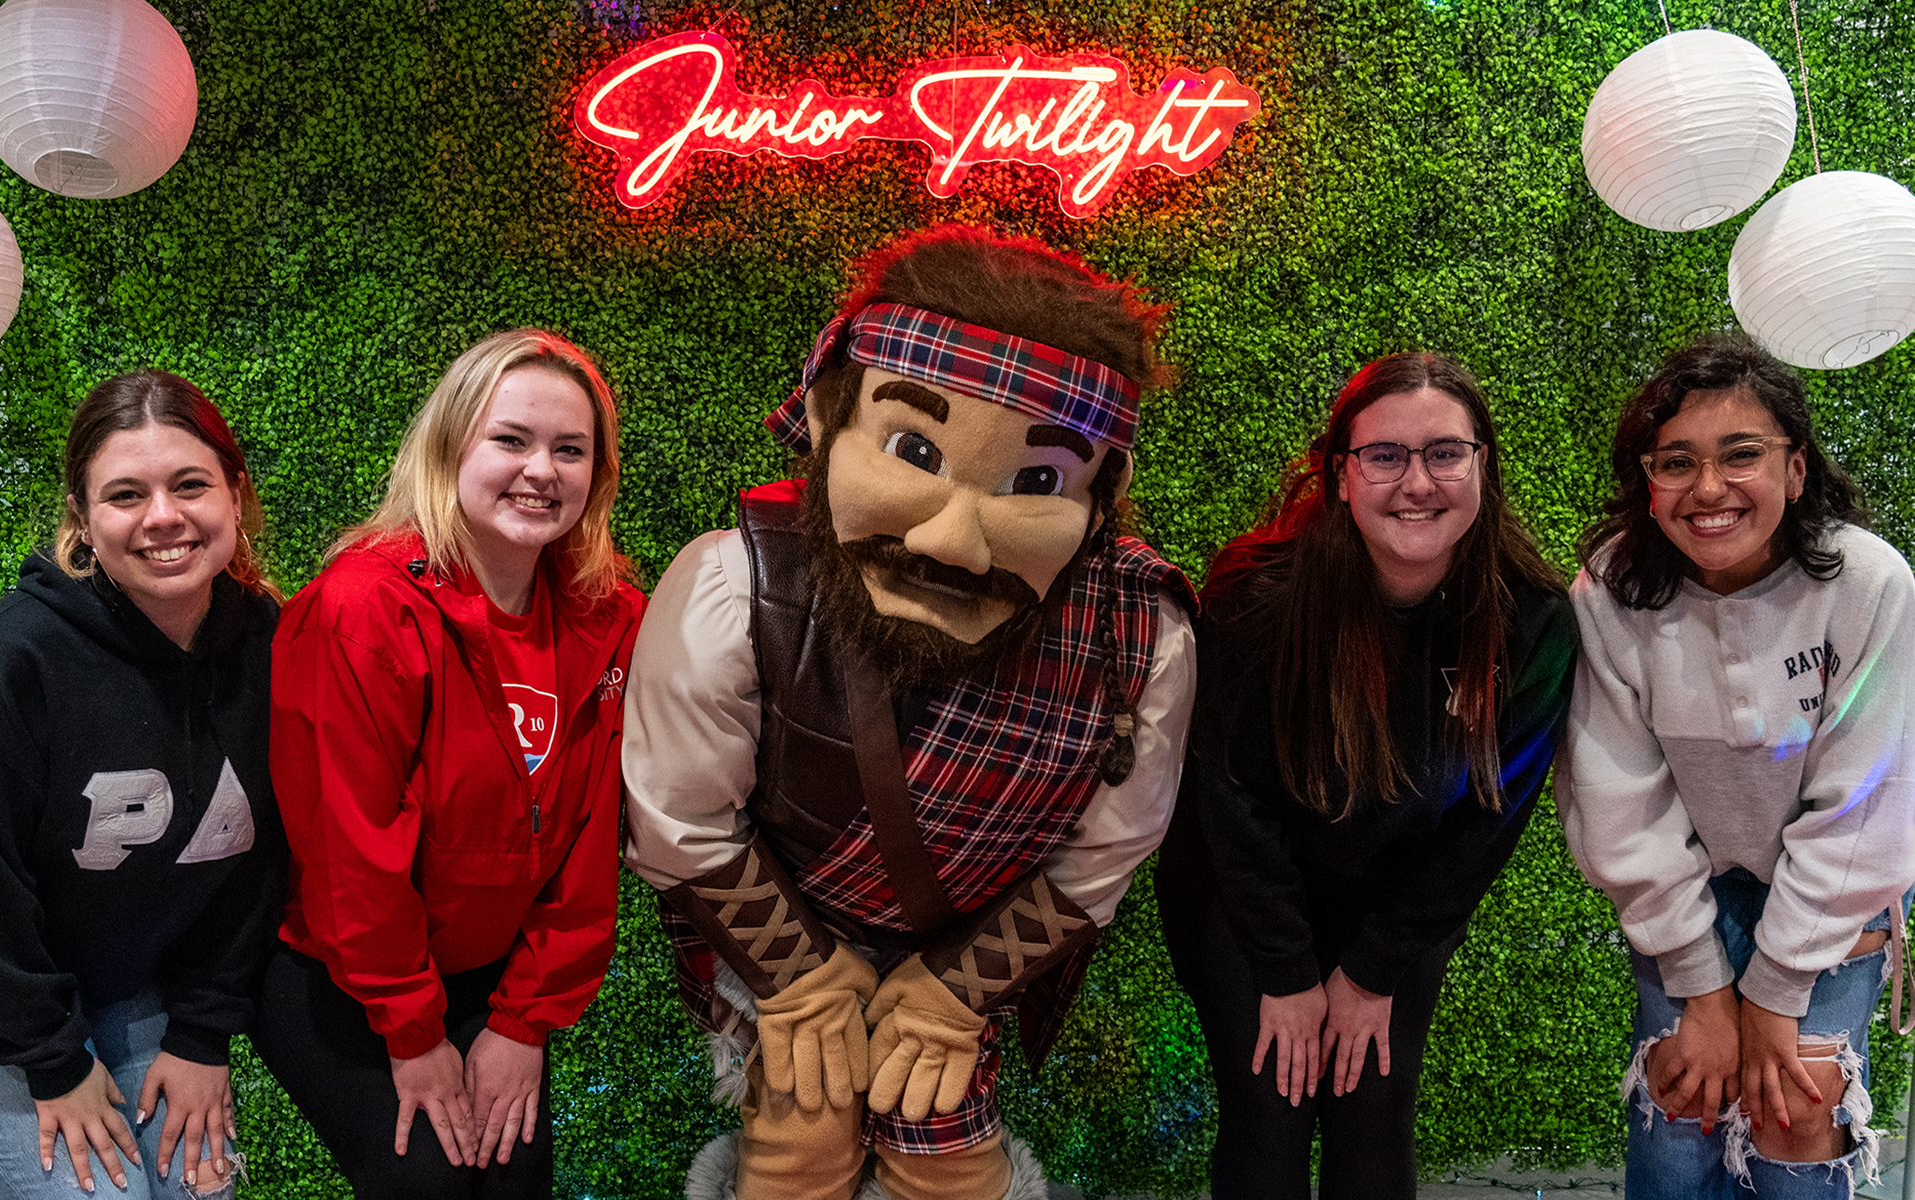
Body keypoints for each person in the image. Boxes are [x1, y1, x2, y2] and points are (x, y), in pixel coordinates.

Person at [621, 226, 1197, 1200]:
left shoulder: (1140, 636)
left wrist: (957, 992)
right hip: (778, 928)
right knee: (795, 1152)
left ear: (1102, 506)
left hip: (963, 946)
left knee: (951, 1169)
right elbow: (680, 815)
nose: (956, 540)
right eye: (912, 448)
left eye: (1039, 483)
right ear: (824, 420)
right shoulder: (737, 584)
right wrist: (795, 973)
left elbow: (1111, 844)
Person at [0, 371, 285, 1200]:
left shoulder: (274, 649)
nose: (163, 517)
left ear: (236, 494)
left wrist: (203, 1033)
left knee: (200, 1190)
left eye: (190, 484)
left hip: (108, 950)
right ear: (83, 517)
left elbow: (257, 860)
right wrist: (52, 1063)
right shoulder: (12, 661)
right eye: (125, 494)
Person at [1156, 352, 1577, 1199]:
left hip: (1397, 899)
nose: (1416, 482)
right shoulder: (1257, 597)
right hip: (1244, 898)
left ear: (1482, 469)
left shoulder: (1533, 619)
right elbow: (1231, 803)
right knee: (1270, 1111)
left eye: (1444, 453)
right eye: (1384, 456)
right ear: (1342, 477)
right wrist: (1285, 974)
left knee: (1373, 1110)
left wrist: (1371, 970)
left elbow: (1486, 825)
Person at [251, 330, 644, 1199]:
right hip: (345, 970)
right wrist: (415, 1036)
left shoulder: (608, 616)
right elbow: (351, 852)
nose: (542, 470)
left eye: (569, 450)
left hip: (492, 975)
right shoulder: (364, 607)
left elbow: (591, 844)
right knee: (430, 1183)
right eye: (511, 440)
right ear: (450, 446)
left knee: (514, 1180)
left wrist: (525, 1023)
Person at [1555, 333, 1915, 1197]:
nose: (1708, 489)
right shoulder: (1611, 590)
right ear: (1648, 480)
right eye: (1676, 462)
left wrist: (1778, 991)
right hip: (1688, 898)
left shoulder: (1868, 584)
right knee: (1685, 1122)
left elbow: (1862, 806)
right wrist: (1704, 989)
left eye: (1741, 455)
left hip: (1829, 899)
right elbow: (1618, 801)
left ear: (1796, 470)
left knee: (1797, 1120)